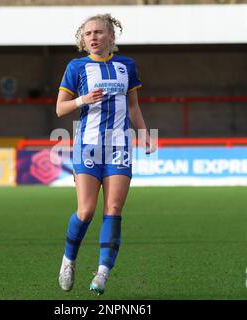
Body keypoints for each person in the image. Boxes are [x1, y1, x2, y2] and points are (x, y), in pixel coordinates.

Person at [55, 13, 156, 295]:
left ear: (112, 37)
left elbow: (133, 106)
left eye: (99, 33)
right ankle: (68, 260)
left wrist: (144, 132)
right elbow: (60, 108)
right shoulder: (76, 67)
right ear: (83, 40)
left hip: (120, 146)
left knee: (113, 209)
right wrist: (81, 99)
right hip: (87, 145)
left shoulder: (127, 66)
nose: (93, 37)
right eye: (88, 34)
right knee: (86, 211)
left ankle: (102, 273)